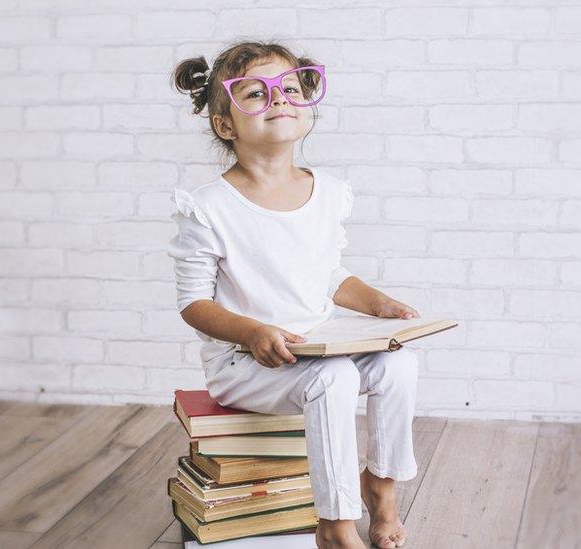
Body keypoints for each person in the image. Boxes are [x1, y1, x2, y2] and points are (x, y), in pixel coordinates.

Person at [168, 41, 420, 549]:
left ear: (306, 109)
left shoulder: (327, 191)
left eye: (289, 88)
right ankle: (335, 524)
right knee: (331, 377)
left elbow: (327, 275)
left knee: (398, 365)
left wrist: (376, 303)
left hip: (317, 343)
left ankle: (383, 488)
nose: (278, 99)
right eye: (256, 94)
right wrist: (254, 331)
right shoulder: (209, 207)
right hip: (246, 364)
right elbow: (194, 304)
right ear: (225, 126)